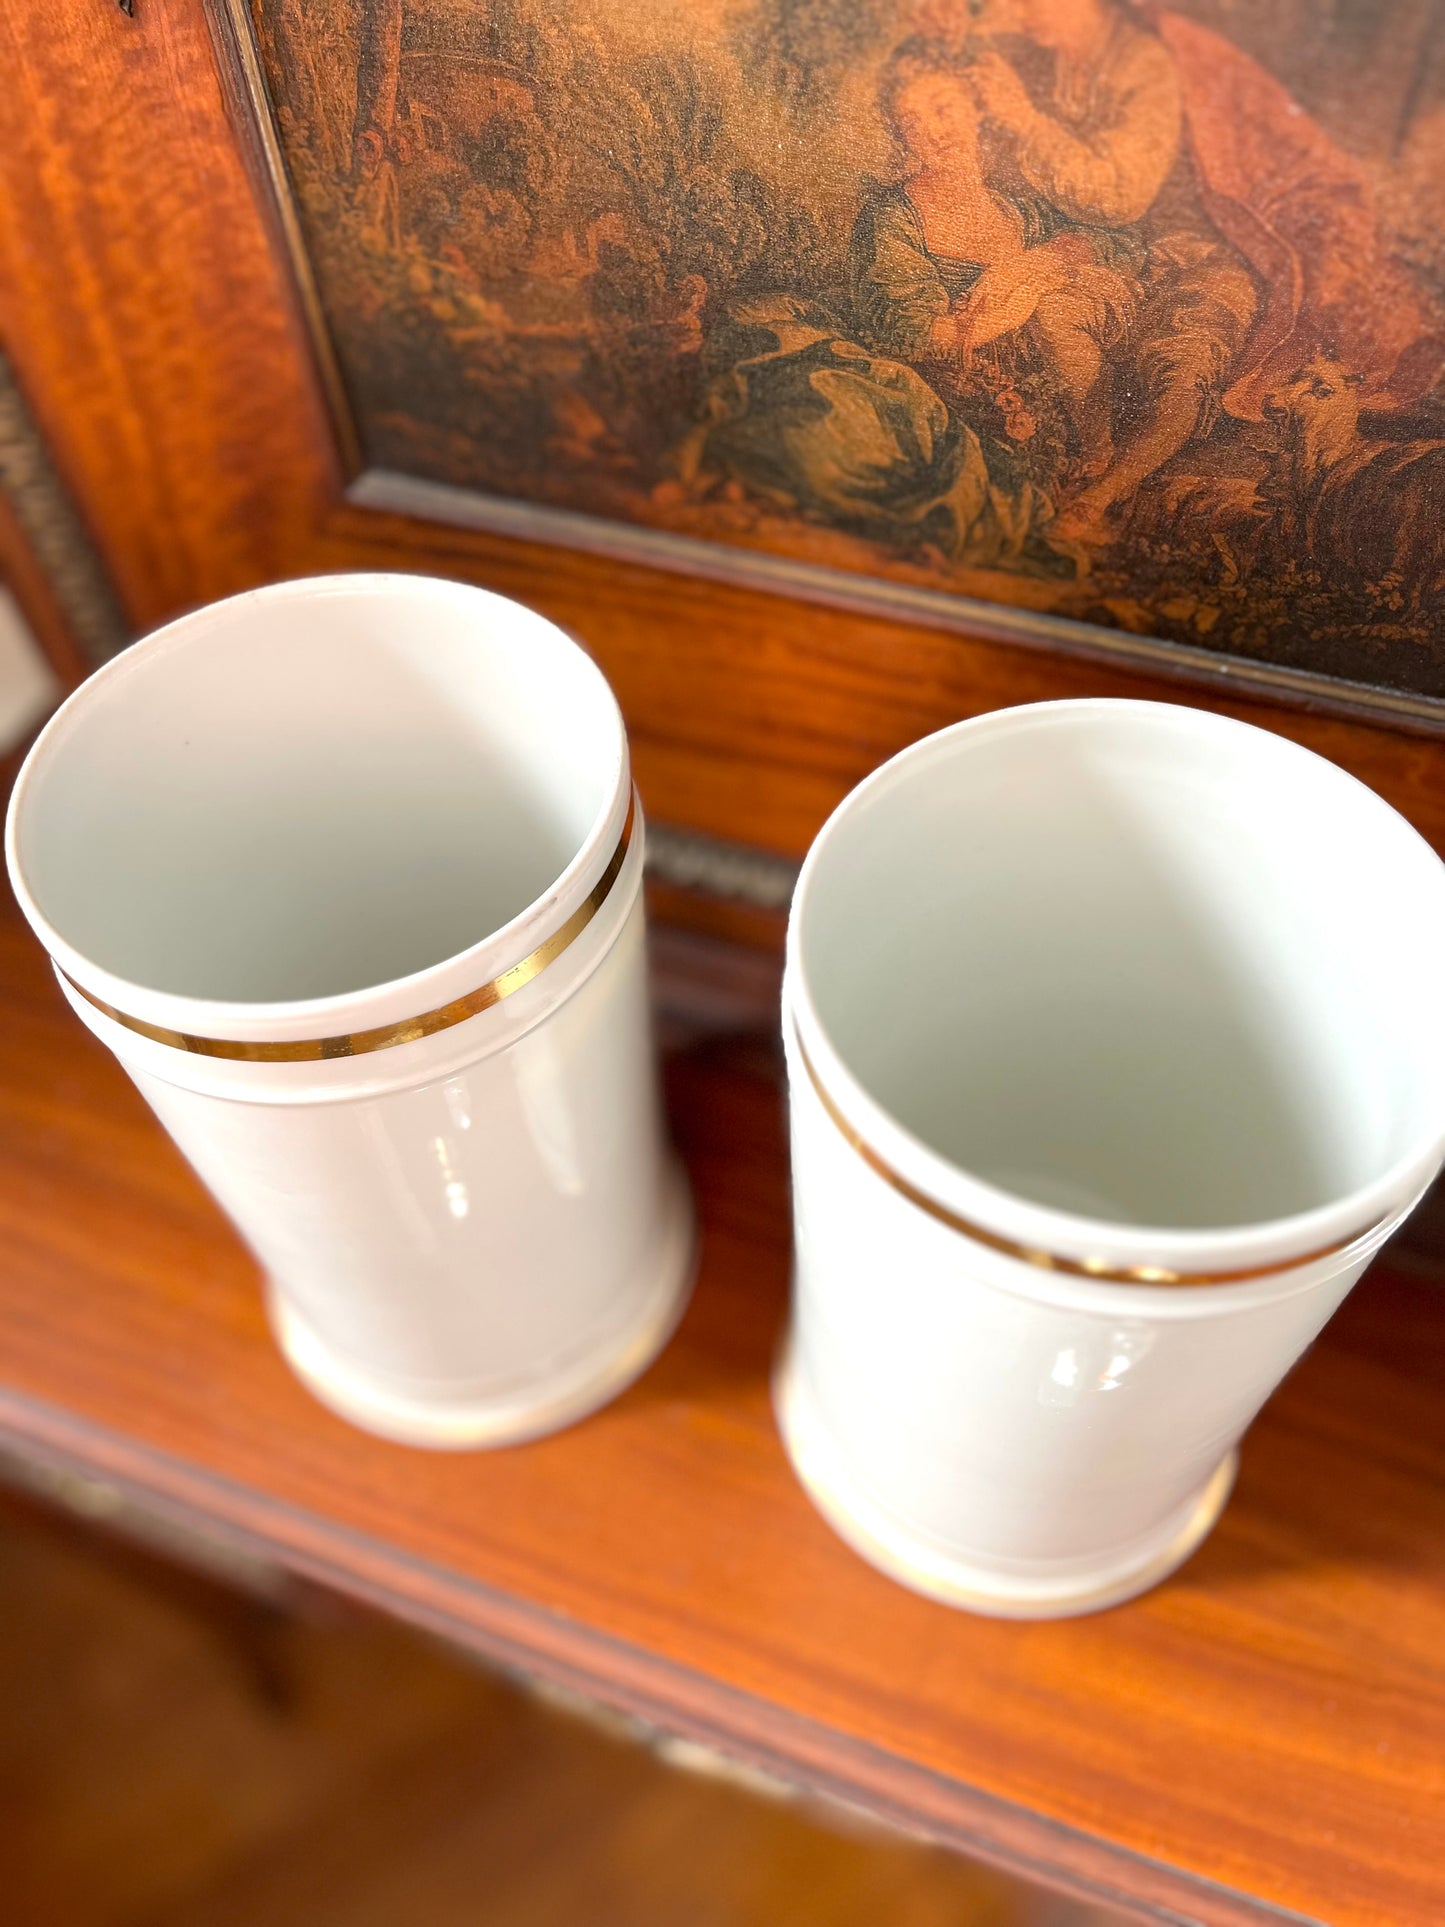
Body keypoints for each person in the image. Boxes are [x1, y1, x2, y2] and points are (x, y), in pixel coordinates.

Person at [853, 46, 1134, 481]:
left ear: (977, 108)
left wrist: (1033, 264)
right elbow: (910, 331)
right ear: (902, 137)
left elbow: (1119, 245)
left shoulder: (1017, 212)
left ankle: (1100, 453)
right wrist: (1020, 301)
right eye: (912, 123)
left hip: (1040, 404)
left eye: (944, 109)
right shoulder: (894, 217)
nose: (933, 131)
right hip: (960, 397)